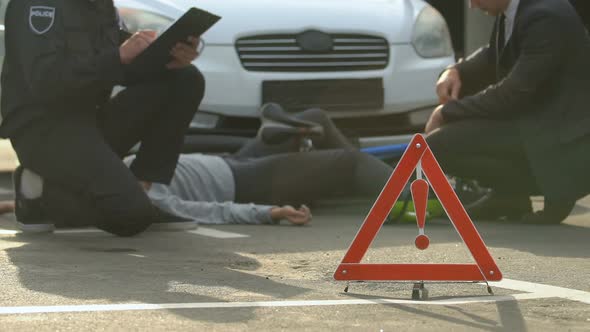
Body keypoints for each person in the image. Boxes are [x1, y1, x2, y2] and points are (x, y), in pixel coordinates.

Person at [1, 0, 205, 235]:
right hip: (43, 129)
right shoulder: (39, 4)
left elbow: (120, 69)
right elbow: (45, 81)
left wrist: (168, 58)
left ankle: (138, 192)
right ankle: (39, 196)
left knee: (185, 79)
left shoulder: (102, 6)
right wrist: (119, 56)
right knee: (131, 216)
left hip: (88, 121)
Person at [424, 0, 590, 224]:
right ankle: (510, 197)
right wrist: (455, 71)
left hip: (559, 137)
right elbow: (495, 54)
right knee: (441, 141)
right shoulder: (518, 9)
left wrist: (446, 112)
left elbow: (512, 94)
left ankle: (554, 188)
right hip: (534, 122)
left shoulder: (545, 16)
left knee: (436, 146)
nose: (472, 6)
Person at [131, 105, 395, 226]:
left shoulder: (114, 164)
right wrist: (270, 213)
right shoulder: (143, 199)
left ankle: (374, 179)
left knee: (316, 118)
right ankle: (414, 196)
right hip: (242, 184)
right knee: (349, 162)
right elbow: (207, 212)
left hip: (230, 161)